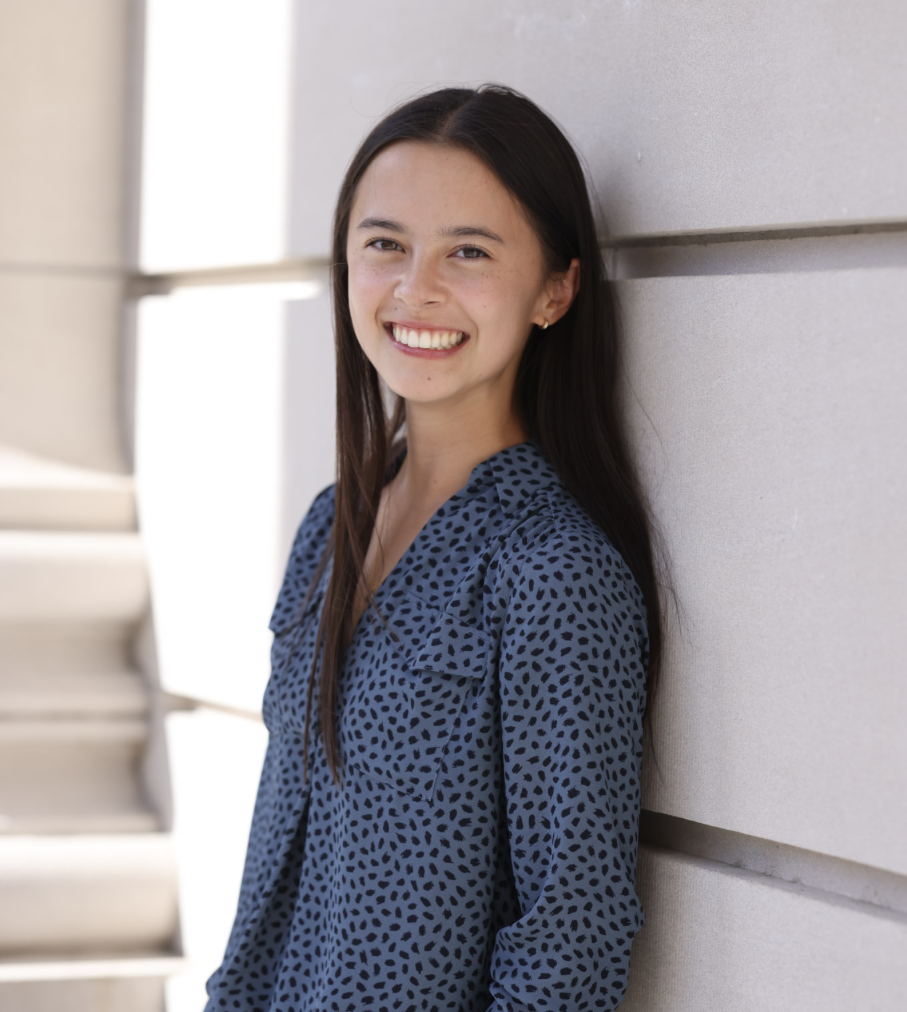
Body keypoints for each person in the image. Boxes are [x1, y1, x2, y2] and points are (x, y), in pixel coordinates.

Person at [205, 85, 662, 1012]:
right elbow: (274, 867)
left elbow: (568, 936)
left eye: (469, 252)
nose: (416, 288)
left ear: (555, 289)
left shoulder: (551, 571)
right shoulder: (333, 526)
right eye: (385, 244)